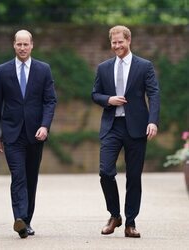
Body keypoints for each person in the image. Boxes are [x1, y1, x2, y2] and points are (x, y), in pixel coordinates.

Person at [91, 25, 160, 238]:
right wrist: (108, 100)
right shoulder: (103, 68)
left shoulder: (144, 66)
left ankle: (130, 222)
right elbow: (95, 94)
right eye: (113, 42)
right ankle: (114, 215)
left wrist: (153, 121)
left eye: (120, 41)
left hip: (137, 127)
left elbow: (154, 94)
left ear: (128, 40)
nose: (117, 46)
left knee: (133, 177)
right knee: (105, 172)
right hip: (112, 126)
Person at [0, 30, 57, 238]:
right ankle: (19, 218)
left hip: (35, 133)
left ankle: (26, 221)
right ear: (14, 45)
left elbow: (50, 101)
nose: (22, 48)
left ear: (31, 45)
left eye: (25, 44)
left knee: (31, 178)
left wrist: (45, 126)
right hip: (11, 134)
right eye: (18, 44)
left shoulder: (43, 69)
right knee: (18, 176)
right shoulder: (2, 71)